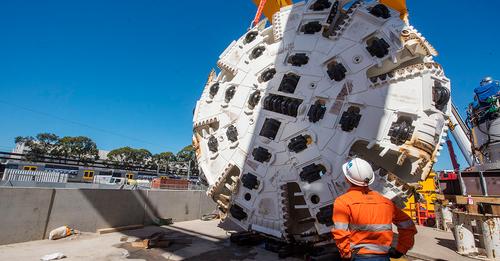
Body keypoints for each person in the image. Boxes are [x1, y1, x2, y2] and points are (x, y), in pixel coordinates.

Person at [332, 158, 417, 260]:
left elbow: (340, 232)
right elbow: (408, 225)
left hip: (359, 256)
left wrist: (346, 254)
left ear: (347, 179)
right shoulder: (386, 203)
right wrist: (401, 249)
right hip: (383, 256)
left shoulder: (343, 202)